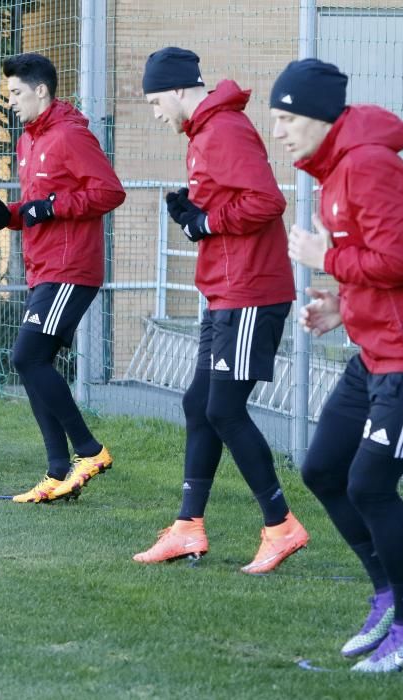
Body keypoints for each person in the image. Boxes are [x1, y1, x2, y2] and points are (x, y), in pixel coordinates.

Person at [270, 59, 403, 671]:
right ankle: (387, 594)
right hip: (380, 349)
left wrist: (325, 255)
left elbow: (397, 260)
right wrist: (342, 306)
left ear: (318, 116)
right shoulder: (339, 167)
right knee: (324, 468)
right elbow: (378, 269)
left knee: (369, 485)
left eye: (285, 118)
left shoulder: (368, 164)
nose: (277, 131)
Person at [133, 47, 308, 574]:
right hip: (225, 291)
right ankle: (188, 528)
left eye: (156, 100)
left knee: (224, 410)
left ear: (182, 89)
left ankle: (282, 526)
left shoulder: (222, 129)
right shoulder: (205, 132)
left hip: (251, 291)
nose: (155, 112)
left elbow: (266, 203)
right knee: (198, 404)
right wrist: (197, 215)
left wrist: (205, 223)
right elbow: (232, 202)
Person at [0, 53, 125, 502]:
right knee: (32, 363)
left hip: (71, 269)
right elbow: (40, 204)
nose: (12, 102)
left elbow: (108, 191)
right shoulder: (29, 141)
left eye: (17, 94)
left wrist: (51, 207)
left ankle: (89, 450)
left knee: (27, 357)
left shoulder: (69, 134)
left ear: (41, 90)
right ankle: (57, 472)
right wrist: (8, 216)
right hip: (44, 269)